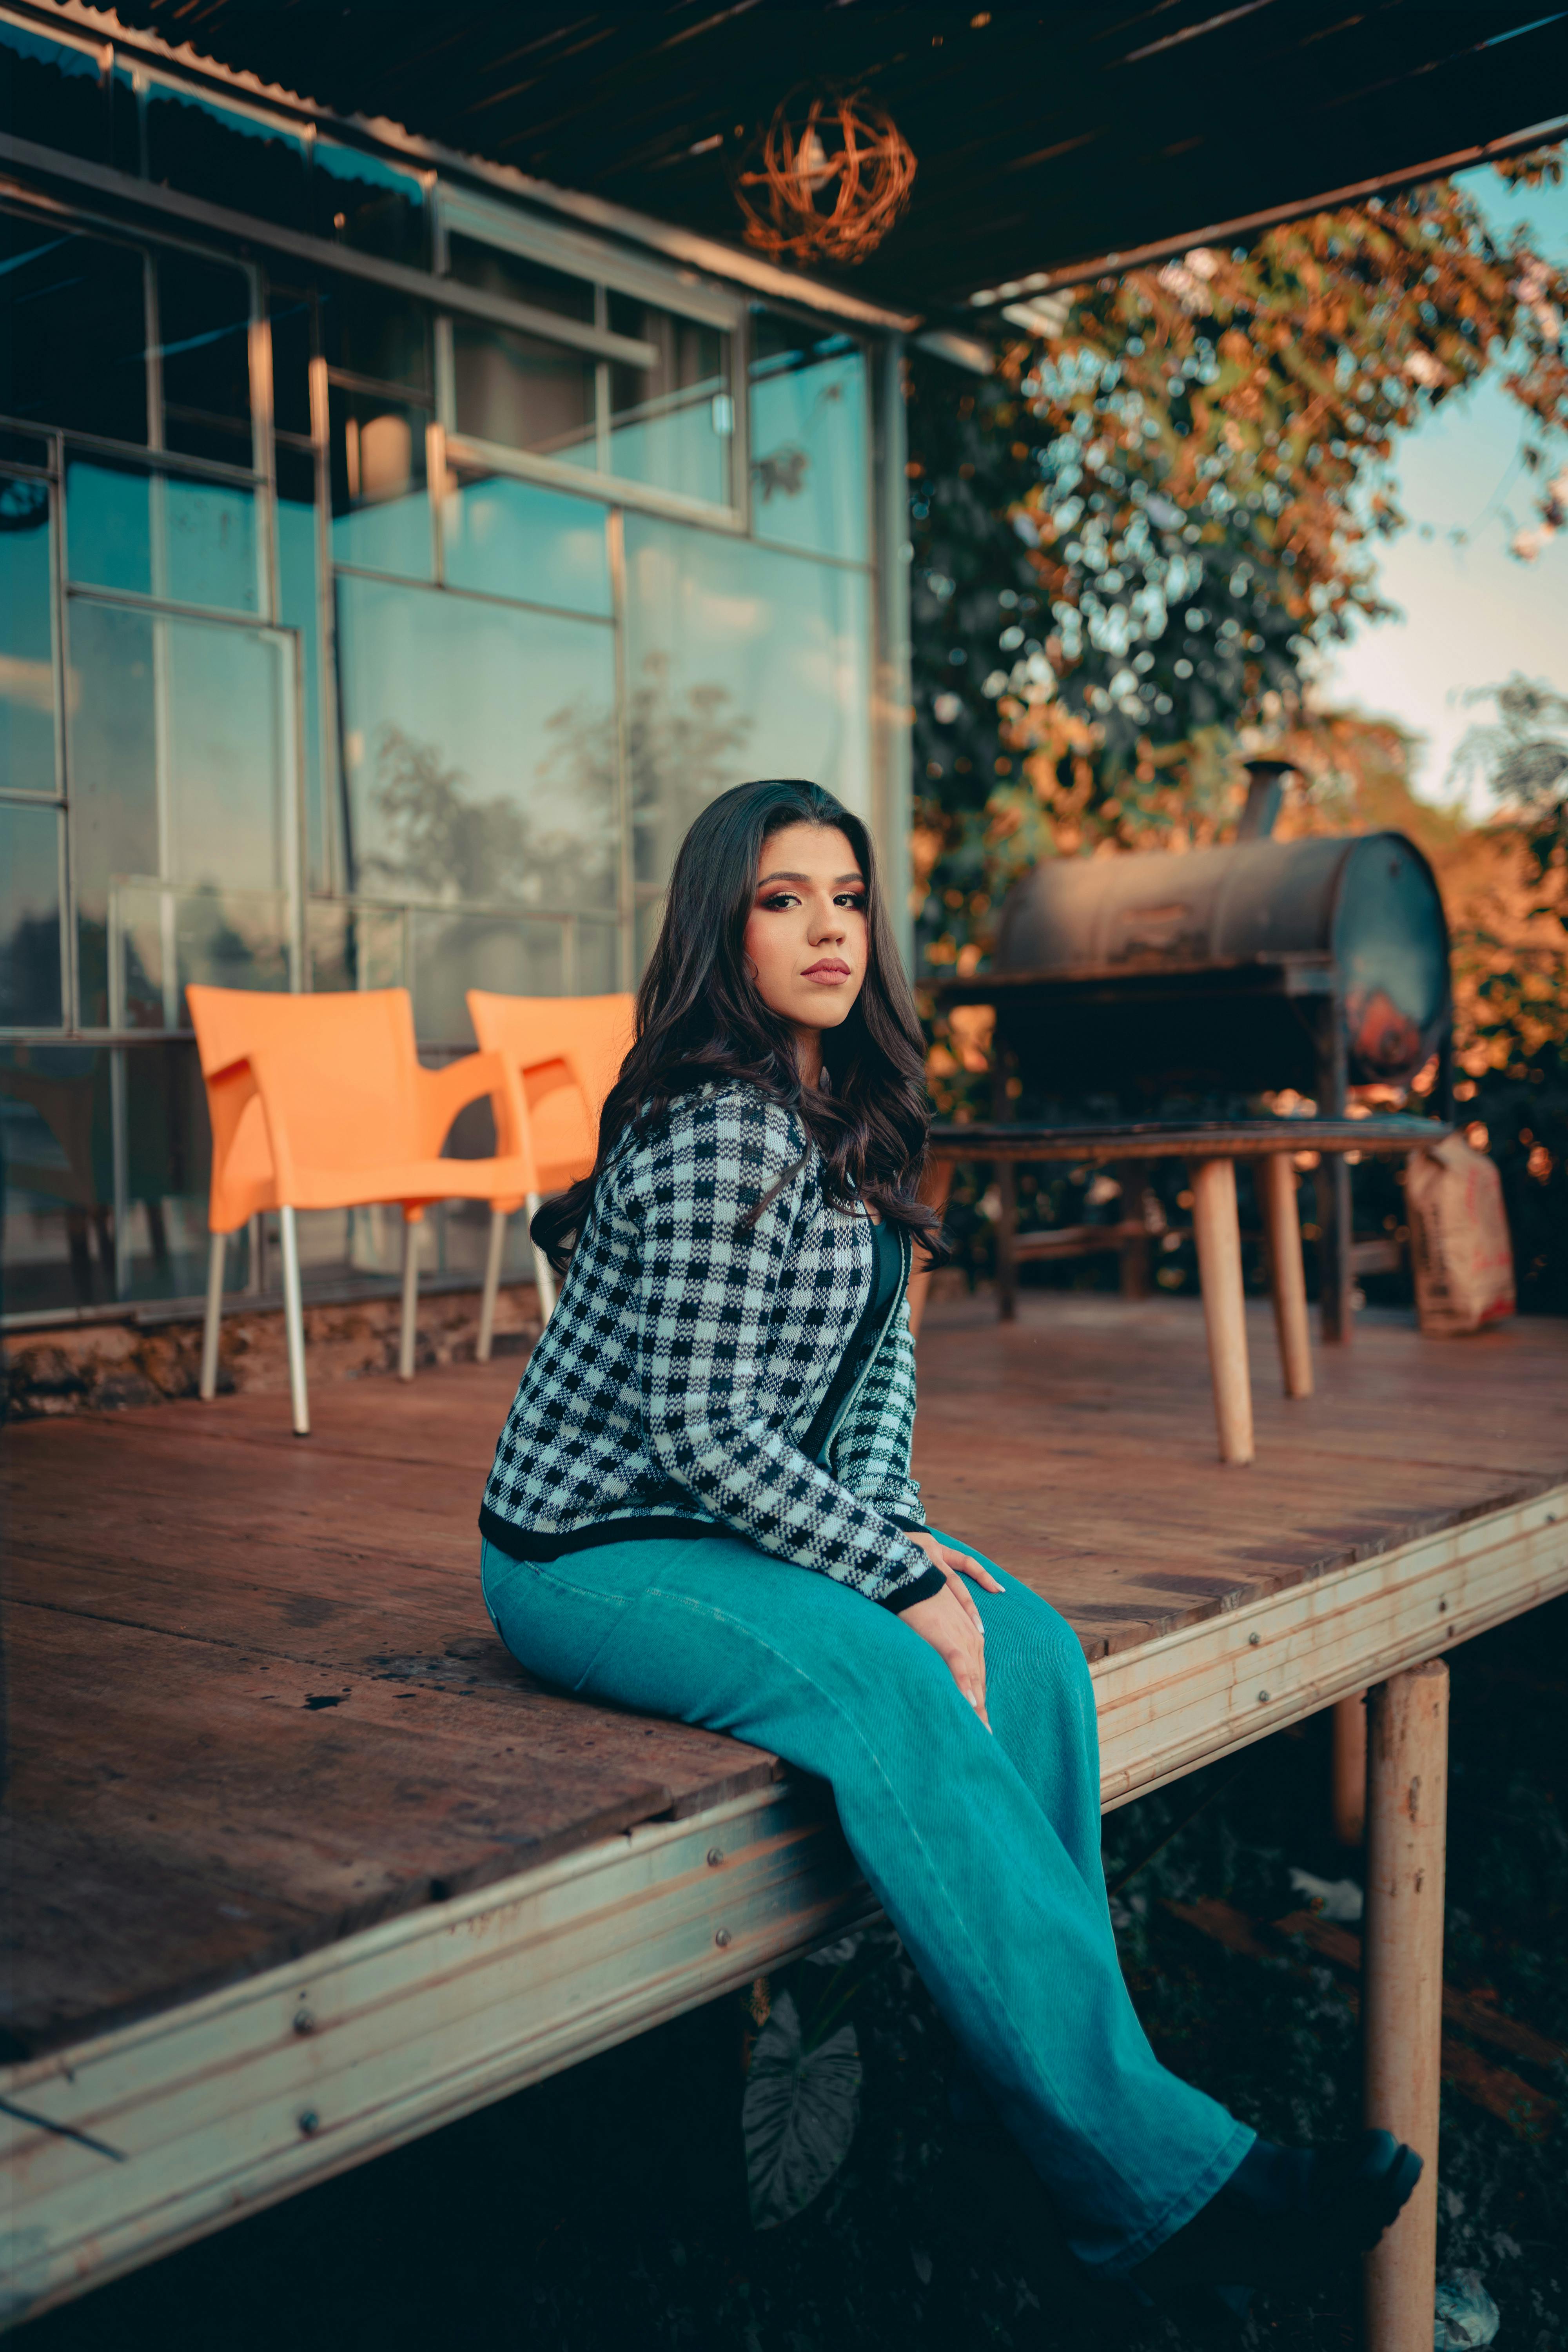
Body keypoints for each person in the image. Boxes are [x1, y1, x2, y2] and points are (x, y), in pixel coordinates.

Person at [478, 777, 1421, 2313]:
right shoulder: (717, 1122)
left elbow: (870, 1370)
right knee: (890, 1679)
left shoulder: (850, 1107)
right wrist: (895, 1579)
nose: (826, 929)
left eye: (844, 896)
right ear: (723, 927)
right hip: (586, 1544)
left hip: (720, 1512)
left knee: (1032, 1646)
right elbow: (699, 1430)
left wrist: (895, 1530)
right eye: (782, 900)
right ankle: (1156, 2177)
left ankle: (1084, 2136)